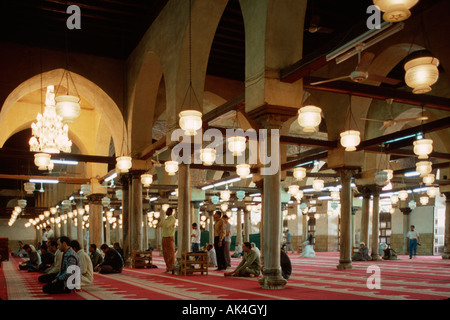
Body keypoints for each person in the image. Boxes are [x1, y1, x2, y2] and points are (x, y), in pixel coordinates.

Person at [159, 207, 176, 273]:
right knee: (165, 253)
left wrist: (164, 223)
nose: (166, 212)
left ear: (171, 212)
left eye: (167, 211)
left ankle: (171, 267)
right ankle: (168, 267)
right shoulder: (166, 219)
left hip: (169, 237)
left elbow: (166, 225)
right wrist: (164, 222)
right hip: (164, 237)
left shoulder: (173, 219)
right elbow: (160, 224)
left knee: (170, 253)